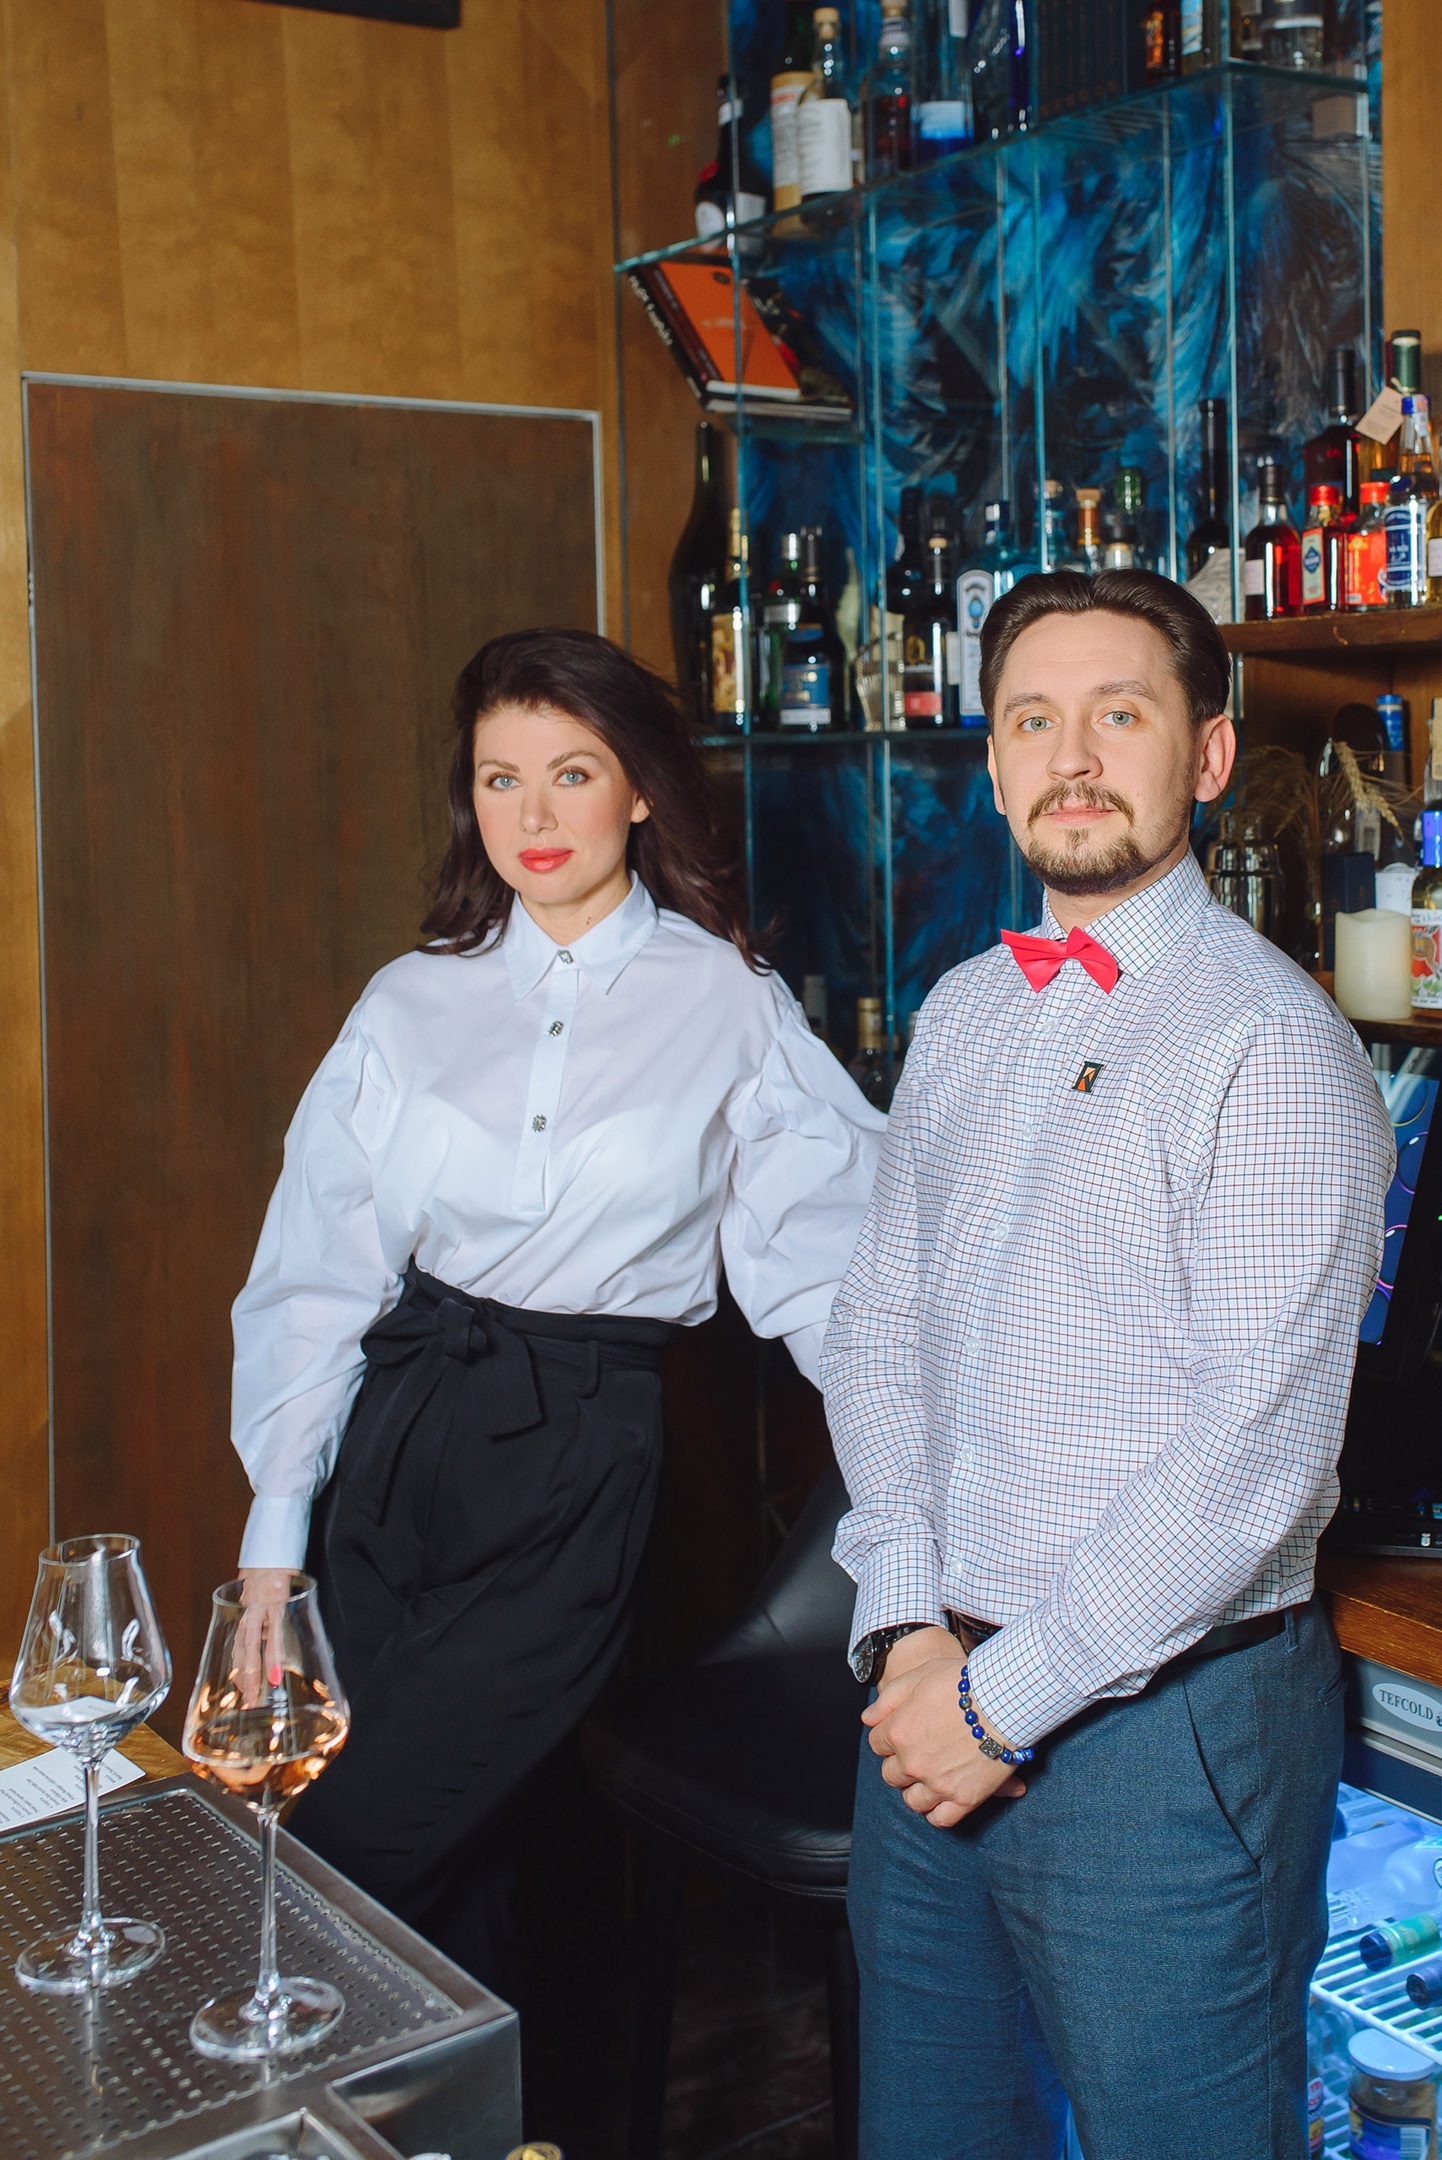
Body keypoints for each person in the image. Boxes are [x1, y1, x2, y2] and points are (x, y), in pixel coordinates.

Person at [821, 569, 1394, 2158]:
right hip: (928, 1699)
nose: (1070, 758)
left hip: (1160, 1743)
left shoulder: (1272, 1046)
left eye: (1117, 715)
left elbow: (1249, 1465)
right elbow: (877, 1333)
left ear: (1203, 757)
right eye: (1032, 720)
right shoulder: (960, 1011)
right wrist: (904, 1623)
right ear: (992, 763)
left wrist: (994, 1704)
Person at [230, 627, 885, 1986]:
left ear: (639, 789)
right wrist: (272, 1549)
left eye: (571, 773)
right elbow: (316, 1271)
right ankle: (464, 2103)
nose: (532, 816)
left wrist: (925, 1493)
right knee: (451, 1885)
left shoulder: (730, 1003)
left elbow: (834, 1273)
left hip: (579, 1457)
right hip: (393, 1441)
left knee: (344, 1851)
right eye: (499, 779)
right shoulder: (409, 999)